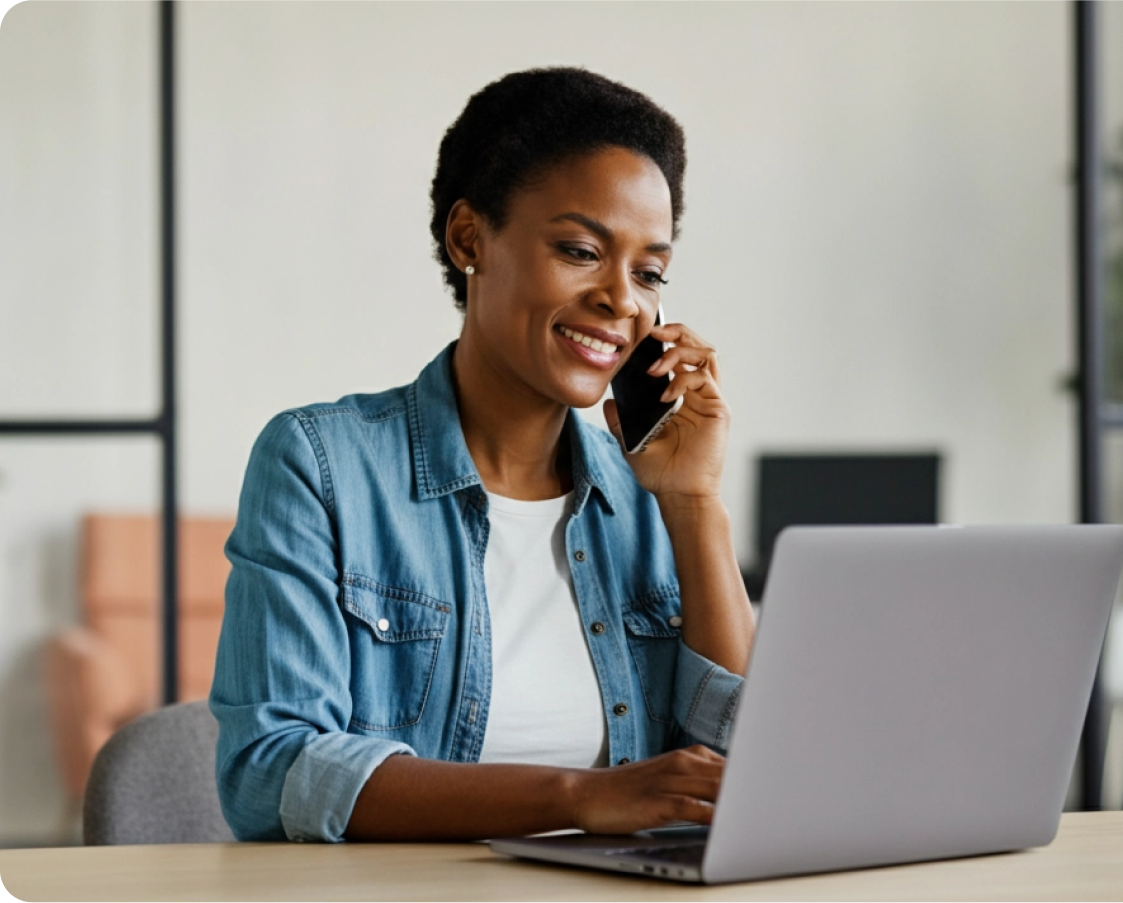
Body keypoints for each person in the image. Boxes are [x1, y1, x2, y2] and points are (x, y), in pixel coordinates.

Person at [210, 67, 756, 843]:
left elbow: (741, 772)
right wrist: (578, 797)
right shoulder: (322, 465)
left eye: (649, 272)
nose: (622, 299)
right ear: (470, 238)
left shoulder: (648, 497)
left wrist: (694, 503)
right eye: (580, 250)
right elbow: (272, 769)